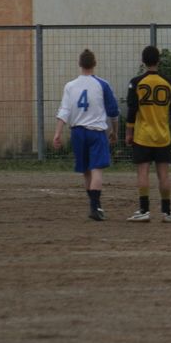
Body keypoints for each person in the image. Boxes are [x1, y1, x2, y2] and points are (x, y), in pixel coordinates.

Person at [52, 49, 121, 221]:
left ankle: (93, 205)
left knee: (86, 171)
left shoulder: (70, 86)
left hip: (77, 132)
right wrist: (114, 131)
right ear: (94, 63)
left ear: (79, 64)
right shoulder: (102, 84)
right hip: (96, 132)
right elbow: (113, 112)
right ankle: (96, 207)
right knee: (96, 169)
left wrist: (57, 133)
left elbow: (64, 111)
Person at [125, 45, 171, 222]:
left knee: (142, 172)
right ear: (158, 61)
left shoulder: (136, 82)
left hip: (142, 136)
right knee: (163, 174)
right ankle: (167, 212)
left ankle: (144, 211)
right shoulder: (169, 82)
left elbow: (132, 110)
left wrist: (129, 132)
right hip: (162, 136)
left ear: (143, 61)